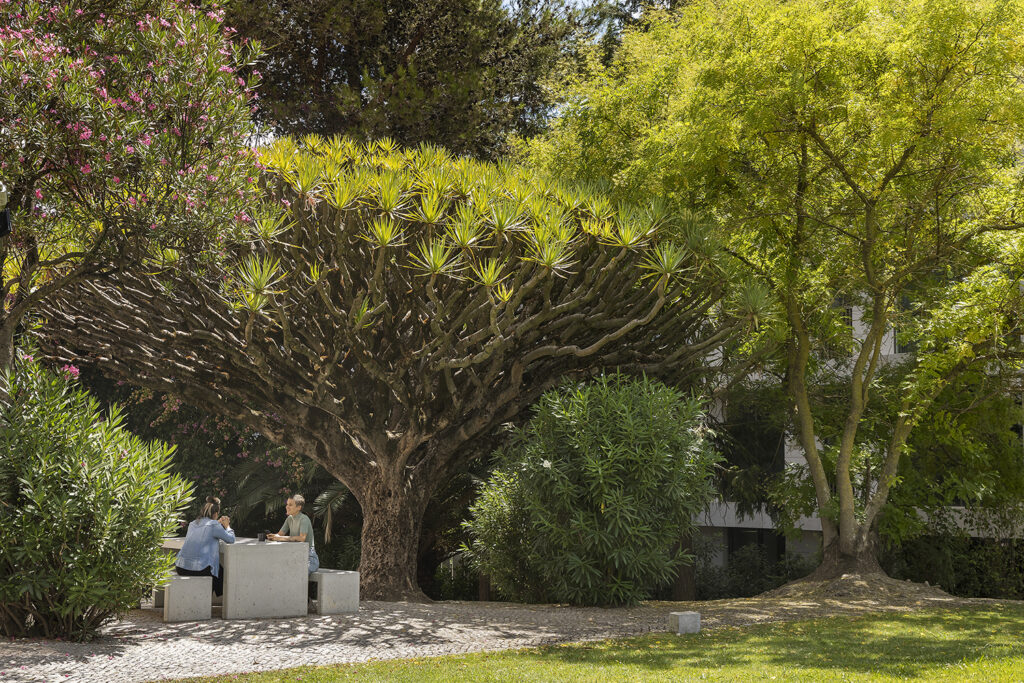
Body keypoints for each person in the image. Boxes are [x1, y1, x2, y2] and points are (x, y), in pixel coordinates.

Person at [175, 496, 235, 596]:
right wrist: (227, 526)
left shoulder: (193, 523)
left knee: (218, 569)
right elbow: (231, 539)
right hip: (198, 570)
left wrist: (217, 523)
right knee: (221, 572)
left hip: (181, 567)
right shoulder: (214, 525)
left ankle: (205, 599)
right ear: (216, 513)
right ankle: (211, 598)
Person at [268, 494, 319, 573]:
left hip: (309, 558)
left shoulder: (304, 519)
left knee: (298, 573)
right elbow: (280, 534)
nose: (287, 507)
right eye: (287, 504)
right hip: (295, 555)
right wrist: (272, 536)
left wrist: (279, 538)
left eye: (290, 505)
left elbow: (302, 538)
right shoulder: (289, 519)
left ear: (299, 507)